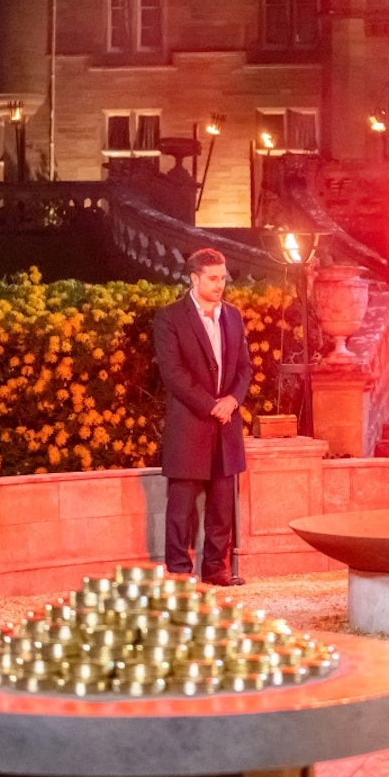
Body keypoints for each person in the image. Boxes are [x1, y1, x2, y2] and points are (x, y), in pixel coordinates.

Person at [153, 248, 253, 586]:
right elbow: (173, 373)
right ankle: (179, 572)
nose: (219, 284)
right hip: (191, 425)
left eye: (223, 278)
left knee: (222, 505)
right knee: (181, 507)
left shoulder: (234, 316)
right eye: (212, 278)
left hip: (226, 425)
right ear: (193, 278)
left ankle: (216, 570)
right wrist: (211, 404)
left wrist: (232, 401)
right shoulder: (170, 318)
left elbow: (244, 369)